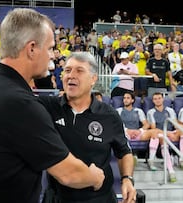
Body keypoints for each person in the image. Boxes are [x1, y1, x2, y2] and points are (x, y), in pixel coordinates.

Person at [0, 8, 105, 203]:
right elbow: (69, 174)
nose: (53, 55)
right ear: (31, 49)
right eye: (49, 48)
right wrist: (95, 177)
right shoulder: (19, 103)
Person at [39, 52, 136, 203]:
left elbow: (124, 152)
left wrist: (127, 179)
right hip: (57, 197)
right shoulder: (47, 107)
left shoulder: (109, 115)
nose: (71, 75)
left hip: (99, 198)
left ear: (93, 79)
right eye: (67, 70)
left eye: (79, 70)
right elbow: (15, 99)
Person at [116, 92, 163, 171]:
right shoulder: (118, 111)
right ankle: (130, 157)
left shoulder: (138, 111)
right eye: (124, 98)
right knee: (121, 135)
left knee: (154, 132)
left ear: (132, 100)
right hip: (124, 133)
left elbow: (146, 124)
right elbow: (115, 124)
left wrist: (139, 131)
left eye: (128, 98)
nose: (125, 100)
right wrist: (127, 130)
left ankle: (151, 160)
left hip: (137, 133)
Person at [146, 92, 183, 182]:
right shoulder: (151, 112)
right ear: (153, 101)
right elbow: (154, 128)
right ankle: (170, 171)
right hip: (159, 133)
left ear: (163, 99)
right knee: (156, 136)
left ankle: (182, 159)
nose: (157, 100)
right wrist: (167, 134)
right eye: (155, 99)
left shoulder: (170, 110)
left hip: (170, 132)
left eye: (159, 98)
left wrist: (176, 132)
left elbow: (175, 124)